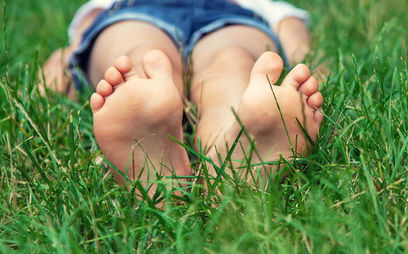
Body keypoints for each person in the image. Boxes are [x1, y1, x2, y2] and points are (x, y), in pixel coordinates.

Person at [38, 0, 324, 199]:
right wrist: (66, 56)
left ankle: (230, 158)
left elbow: (292, 28)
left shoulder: (257, 3)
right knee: (147, 58)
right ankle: (229, 167)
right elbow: (85, 26)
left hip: (231, 17)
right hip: (137, 10)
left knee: (231, 61)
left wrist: (309, 58)